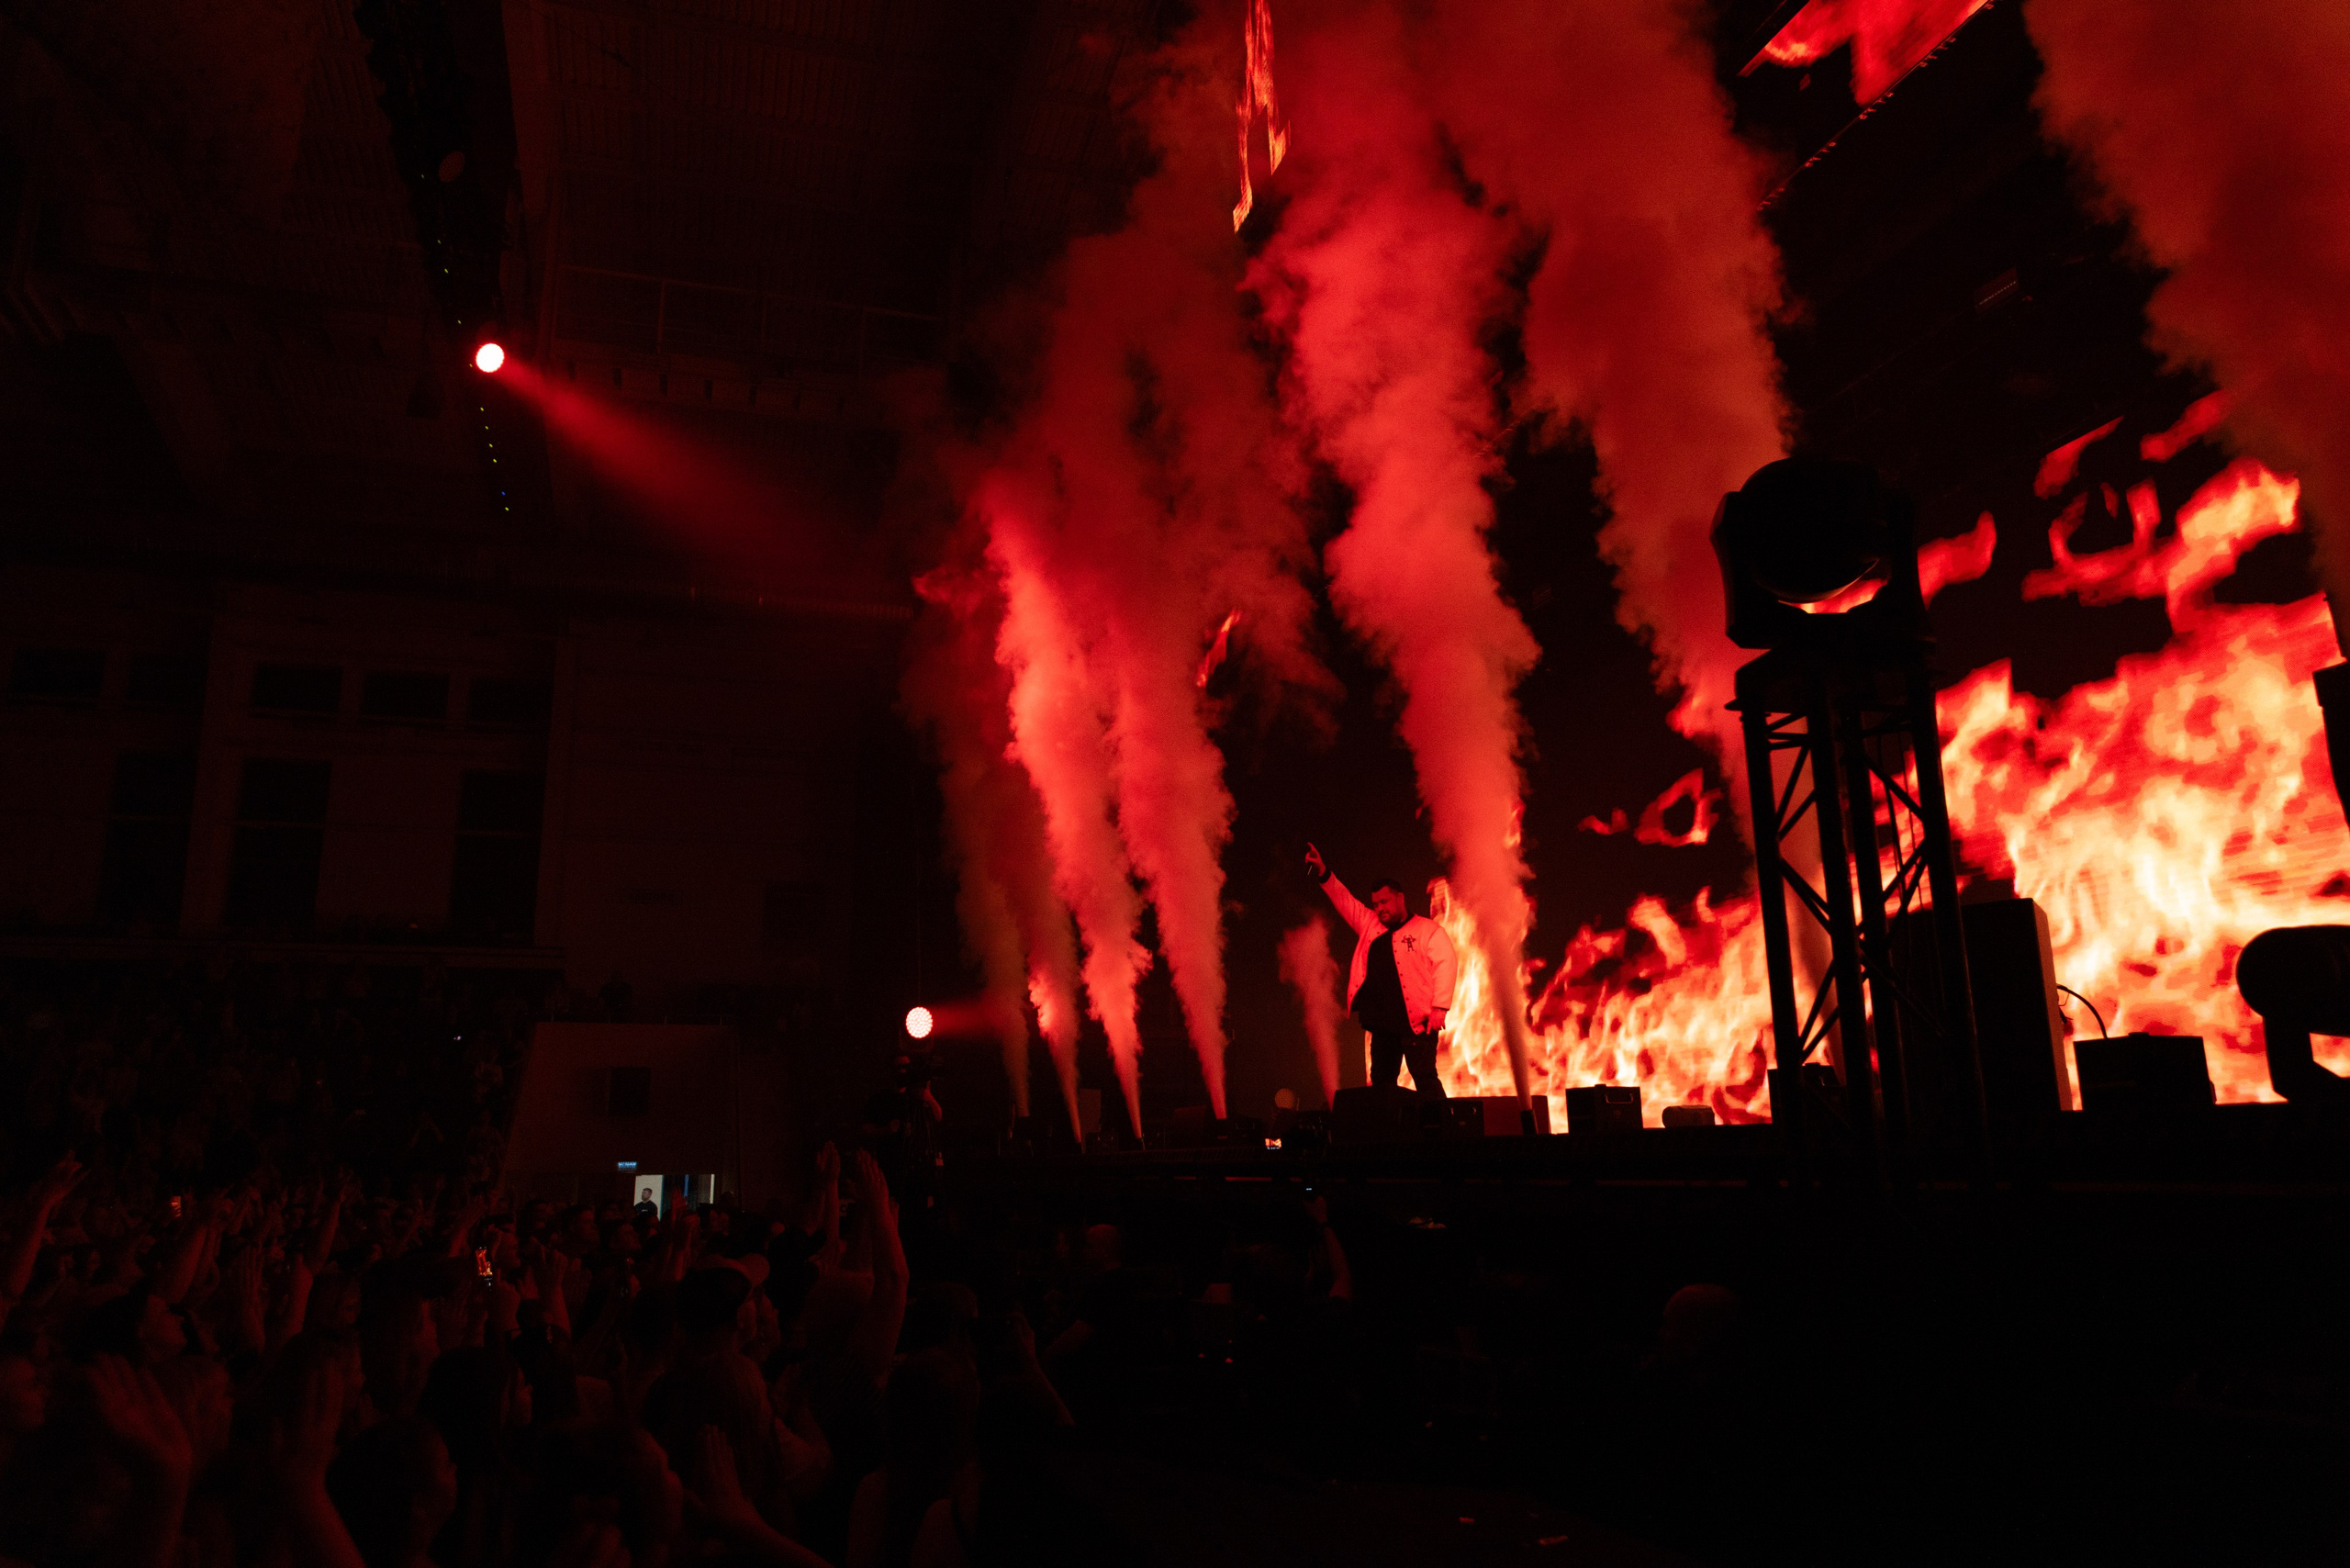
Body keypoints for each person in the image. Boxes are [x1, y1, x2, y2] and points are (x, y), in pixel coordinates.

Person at [1303, 844, 1457, 1097]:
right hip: (1382, 1026)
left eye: (1384, 901)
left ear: (1400, 897)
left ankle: (1443, 1133)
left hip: (1417, 1023)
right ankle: (1388, 1135)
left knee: (1425, 1079)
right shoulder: (1369, 924)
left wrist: (1440, 1008)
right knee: (1382, 1086)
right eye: (1375, 904)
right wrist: (1323, 872)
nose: (1379, 908)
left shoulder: (1427, 930)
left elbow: (1446, 964)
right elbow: (1345, 900)